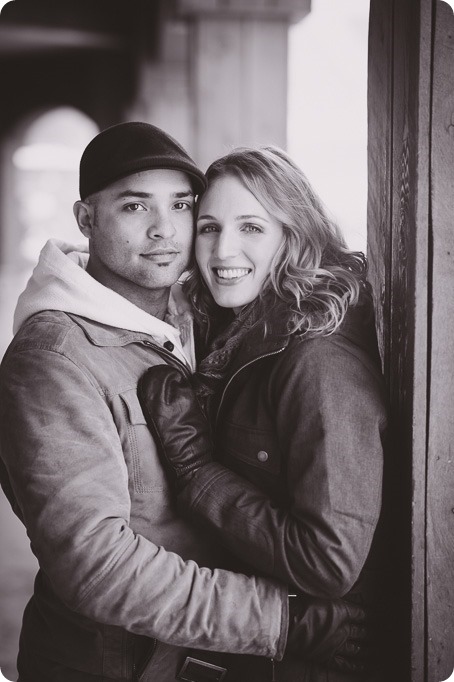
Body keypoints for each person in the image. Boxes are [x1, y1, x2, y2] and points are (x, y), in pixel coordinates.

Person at [0, 124, 368, 682]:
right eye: (134, 206)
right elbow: (94, 564)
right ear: (85, 220)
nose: (164, 230)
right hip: (106, 665)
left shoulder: (196, 318)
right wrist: (279, 621)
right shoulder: (54, 358)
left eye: (182, 206)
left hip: (198, 661)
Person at [138, 146, 389, 681]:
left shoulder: (318, 361)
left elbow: (327, 560)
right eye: (209, 227)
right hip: (245, 645)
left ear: (293, 237)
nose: (223, 248)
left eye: (251, 226)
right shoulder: (233, 332)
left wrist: (197, 471)